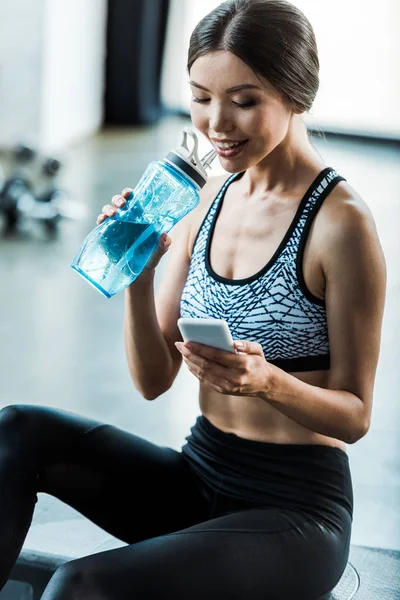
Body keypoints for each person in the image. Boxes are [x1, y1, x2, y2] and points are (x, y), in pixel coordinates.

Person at [0, 1, 387, 598]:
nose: (216, 123)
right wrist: (138, 277)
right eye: (201, 96)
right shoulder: (201, 198)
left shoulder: (342, 225)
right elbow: (154, 380)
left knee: (81, 585)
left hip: (295, 512)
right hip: (199, 474)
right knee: (16, 429)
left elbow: (357, 415)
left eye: (244, 100)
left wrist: (268, 383)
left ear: (295, 94)